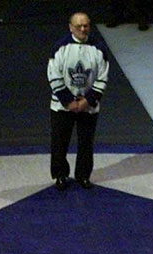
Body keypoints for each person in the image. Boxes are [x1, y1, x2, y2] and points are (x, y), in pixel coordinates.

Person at [47, 11, 110, 190]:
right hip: (61, 106)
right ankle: (60, 175)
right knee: (59, 142)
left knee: (86, 143)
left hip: (88, 107)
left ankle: (83, 175)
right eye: (79, 26)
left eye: (86, 25)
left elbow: (102, 77)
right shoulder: (60, 47)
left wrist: (87, 101)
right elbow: (53, 76)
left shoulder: (99, 48)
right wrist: (68, 101)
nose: (83, 29)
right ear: (70, 27)